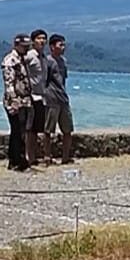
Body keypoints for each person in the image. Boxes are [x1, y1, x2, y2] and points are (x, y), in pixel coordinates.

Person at [1, 34, 34, 171]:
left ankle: (16, 160)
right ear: (16, 45)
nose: (26, 49)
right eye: (24, 46)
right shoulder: (10, 60)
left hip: (25, 100)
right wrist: (14, 101)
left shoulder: (23, 59)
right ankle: (17, 161)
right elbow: (9, 83)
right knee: (17, 131)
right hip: (15, 101)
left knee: (21, 131)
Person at [42, 34, 74, 165]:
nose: (63, 47)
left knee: (68, 129)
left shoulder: (63, 61)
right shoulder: (47, 61)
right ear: (52, 46)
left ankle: (65, 157)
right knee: (48, 130)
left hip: (63, 98)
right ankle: (47, 156)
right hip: (51, 99)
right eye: (60, 45)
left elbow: (63, 80)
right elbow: (44, 80)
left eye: (64, 45)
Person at [23, 29, 49, 165]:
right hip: (31, 96)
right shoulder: (29, 56)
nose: (42, 41)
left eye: (44, 38)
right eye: (39, 38)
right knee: (29, 128)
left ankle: (33, 156)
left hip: (41, 97)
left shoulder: (44, 58)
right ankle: (28, 156)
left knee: (36, 129)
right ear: (33, 41)